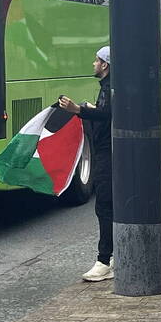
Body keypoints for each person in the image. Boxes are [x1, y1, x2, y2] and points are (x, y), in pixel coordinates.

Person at [58, 46, 113, 281]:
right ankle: (111, 255)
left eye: (97, 60)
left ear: (105, 66)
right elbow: (107, 111)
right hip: (109, 150)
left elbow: (108, 114)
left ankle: (104, 260)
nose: (94, 64)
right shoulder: (109, 87)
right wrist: (92, 109)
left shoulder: (110, 87)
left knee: (105, 205)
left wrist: (77, 110)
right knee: (109, 205)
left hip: (107, 152)